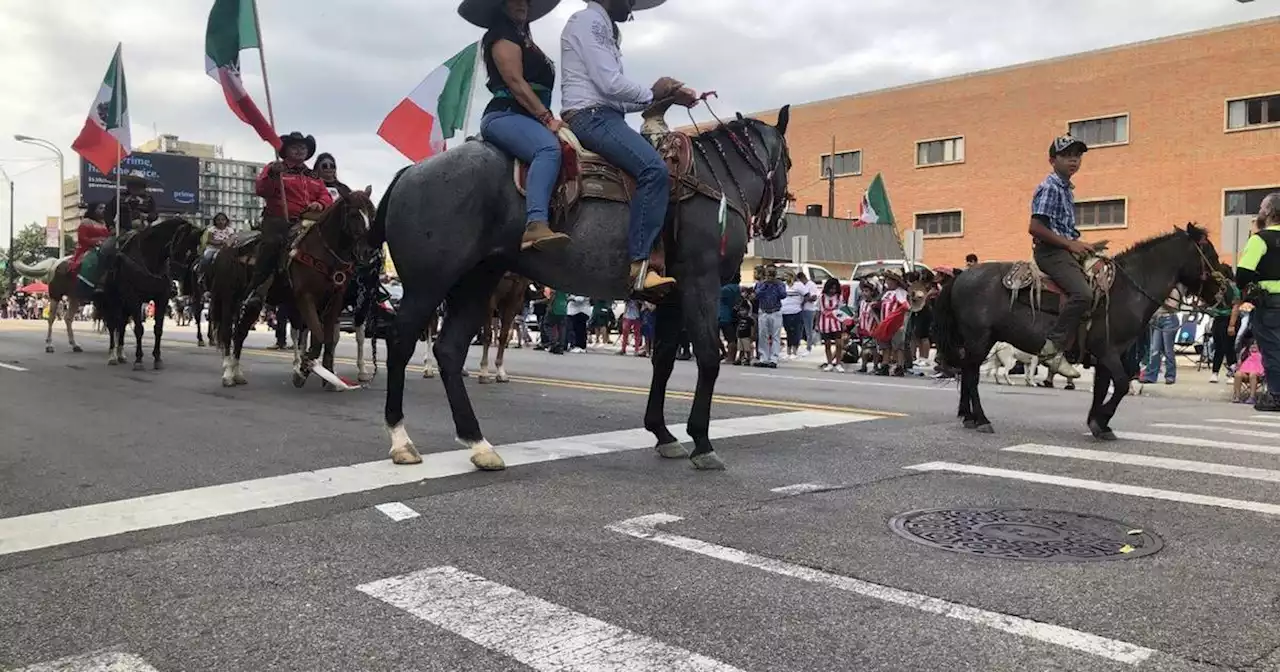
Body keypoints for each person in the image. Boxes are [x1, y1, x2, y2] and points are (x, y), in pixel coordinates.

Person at [560, 0, 699, 292]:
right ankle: (640, 265)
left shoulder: (601, 26)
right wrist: (653, 92)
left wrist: (664, 97)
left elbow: (618, 97)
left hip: (604, 114)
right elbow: (611, 84)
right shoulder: (590, 21)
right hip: (593, 117)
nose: (632, 5)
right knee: (653, 170)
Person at [460, 0, 571, 252]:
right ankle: (535, 224)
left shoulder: (522, 37)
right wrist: (546, 118)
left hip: (526, 117)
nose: (521, 3)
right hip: (505, 115)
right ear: (500, 5)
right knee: (547, 149)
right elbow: (515, 82)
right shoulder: (501, 35)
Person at [1029, 134, 1095, 379]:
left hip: (1064, 248)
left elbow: (1062, 227)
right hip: (1051, 252)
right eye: (1067, 156)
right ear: (1052, 160)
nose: (1073, 160)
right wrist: (1070, 245)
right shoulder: (1050, 187)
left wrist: (1079, 244)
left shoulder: (1066, 188)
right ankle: (1052, 348)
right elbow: (1036, 227)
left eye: (1077, 156)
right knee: (1083, 294)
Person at [244, 132, 333, 307]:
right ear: (286, 150)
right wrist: (272, 175)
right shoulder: (275, 168)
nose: (300, 150)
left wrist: (320, 204)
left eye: (303, 147)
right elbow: (262, 190)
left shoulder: (313, 175)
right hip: (278, 221)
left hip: (307, 222)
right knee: (271, 245)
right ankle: (256, 289)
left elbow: (326, 196)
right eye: (295, 147)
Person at [1235, 192, 1280, 411]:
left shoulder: (1260, 239)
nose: (1259, 211)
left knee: (1272, 349)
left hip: (1270, 304)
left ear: (1270, 212)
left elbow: (1242, 275)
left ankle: (1276, 396)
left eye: (1262, 208)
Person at [70, 202, 111, 290]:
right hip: (88, 249)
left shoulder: (106, 223)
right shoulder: (86, 222)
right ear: (93, 210)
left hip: (105, 247)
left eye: (104, 208)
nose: (103, 210)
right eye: (100, 208)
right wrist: (95, 243)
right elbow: (82, 238)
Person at [201, 212, 236, 278]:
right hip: (213, 249)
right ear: (215, 221)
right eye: (218, 220)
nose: (221, 222)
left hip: (226, 250)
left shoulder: (230, 230)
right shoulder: (212, 229)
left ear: (226, 221)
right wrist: (221, 242)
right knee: (207, 258)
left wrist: (230, 243)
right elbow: (209, 240)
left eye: (223, 220)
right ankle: (202, 273)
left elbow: (232, 239)